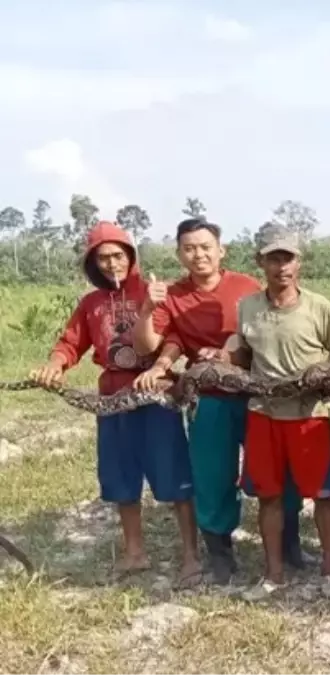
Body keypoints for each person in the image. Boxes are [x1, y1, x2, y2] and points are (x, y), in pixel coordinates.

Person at [131, 217, 307, 584]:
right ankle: (220, 551)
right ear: (180, 253)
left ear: (220, 250)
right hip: (210, 397)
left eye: (205, 247)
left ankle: (289, 541)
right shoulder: (174, 295)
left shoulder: (245, 286)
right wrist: (148, 309)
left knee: (277, 470)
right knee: (212, 475)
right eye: (189, 248)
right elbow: (148, 345)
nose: (199, 255)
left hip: (257, 392)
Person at [32, 221, 199, 585]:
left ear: (131, 256)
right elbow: (71, 343)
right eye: (103, 257)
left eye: (118, 255)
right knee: (122, 477)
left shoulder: (154, 291)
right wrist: (56, 364)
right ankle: (135, 552)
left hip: (157, 397)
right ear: (93, 263)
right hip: (112, 398)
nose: (112, 264)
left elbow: (171, 339)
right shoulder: (91, 303)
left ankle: (190, 555)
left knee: (174, 475)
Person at [219, 224, 330, 600]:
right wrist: (222, 359)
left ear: (299, 262)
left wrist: (324, 377)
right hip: (264, 413)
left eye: (288, 258)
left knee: (323, 494)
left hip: (310, 415)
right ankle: (274, 573)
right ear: (261, 262)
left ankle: (329, 569)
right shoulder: (248, 308)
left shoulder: (318, 306)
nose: (282, 267)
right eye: (274, 258)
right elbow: (243, 355)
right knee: (268, 495)